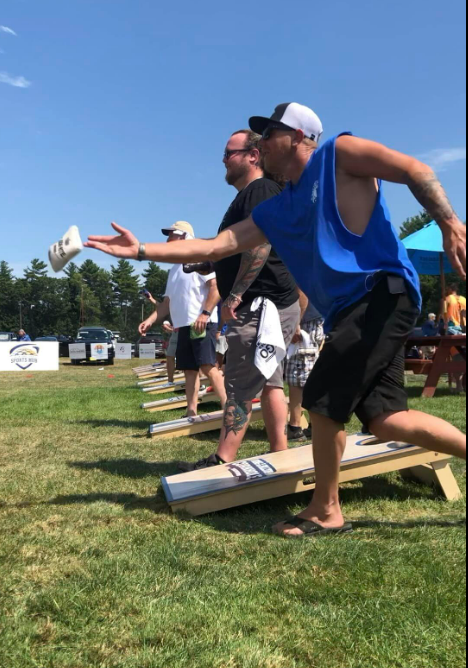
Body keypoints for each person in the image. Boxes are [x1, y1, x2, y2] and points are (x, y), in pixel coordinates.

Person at [86, 101, 467, 538]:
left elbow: (415, 169)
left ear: (301, 137)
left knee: (322, 398)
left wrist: (451, 223)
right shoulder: (277, 208)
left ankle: (327, 510)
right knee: (384, 419)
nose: (261, 142)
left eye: (271, 132)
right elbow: (215, 247)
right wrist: (139, 250)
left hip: (382, 292)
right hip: (354, 309)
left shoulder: (337, 154)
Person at [181, 129, 300, 471]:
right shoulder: (253, 194)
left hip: (262, 304)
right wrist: (212, 262)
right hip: (274, 302)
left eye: (228, 153)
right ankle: (281, 453)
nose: (223, 159)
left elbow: (261, 245)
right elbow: (241, 247)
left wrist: (234, 293)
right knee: (270, 379)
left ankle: (222, 458)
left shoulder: (259, 190)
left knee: (240, 382)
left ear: (253, 155)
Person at [138, 221, 226, 416]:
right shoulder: (174, 269)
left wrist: (205, 313)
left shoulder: (199, 257)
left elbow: (216, 287)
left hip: (201, 323)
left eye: (172, 235)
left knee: (208, 365)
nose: (168, 239)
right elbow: (167, 303)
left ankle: (228, 408)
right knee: (189, 369)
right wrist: (150, 320)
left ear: (185, 236)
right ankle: (191, 410)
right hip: (184, 326)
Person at [287, 301, 324, 441]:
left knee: (298, 375)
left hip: (305, 321)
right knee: (309, 373)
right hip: (312, 319)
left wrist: (296, 322)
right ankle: (315, 425)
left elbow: (302, 292)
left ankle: (295, 427)